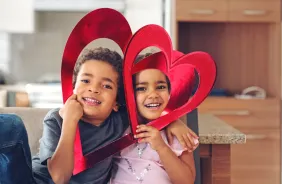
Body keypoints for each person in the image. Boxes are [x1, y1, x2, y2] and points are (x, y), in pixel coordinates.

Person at [0, 48, 198, 184]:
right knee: (12, 126)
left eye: (106, 86)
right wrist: (70, 120)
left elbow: (148, 108)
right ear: (73, 87)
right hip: (31, 180)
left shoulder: (120, 121)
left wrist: (173, 119)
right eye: (86, 80)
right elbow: (58, 177)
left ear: (117, 102)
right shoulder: (58, 119)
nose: (93, 89)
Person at [111, 54, 198, 184]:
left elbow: (187, 181)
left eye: (160, 87)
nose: (153, 94)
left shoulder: (175, 136)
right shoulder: (118, 127)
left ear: (170, 91)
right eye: (141, 88)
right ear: (128, 94)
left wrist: (161, 146)